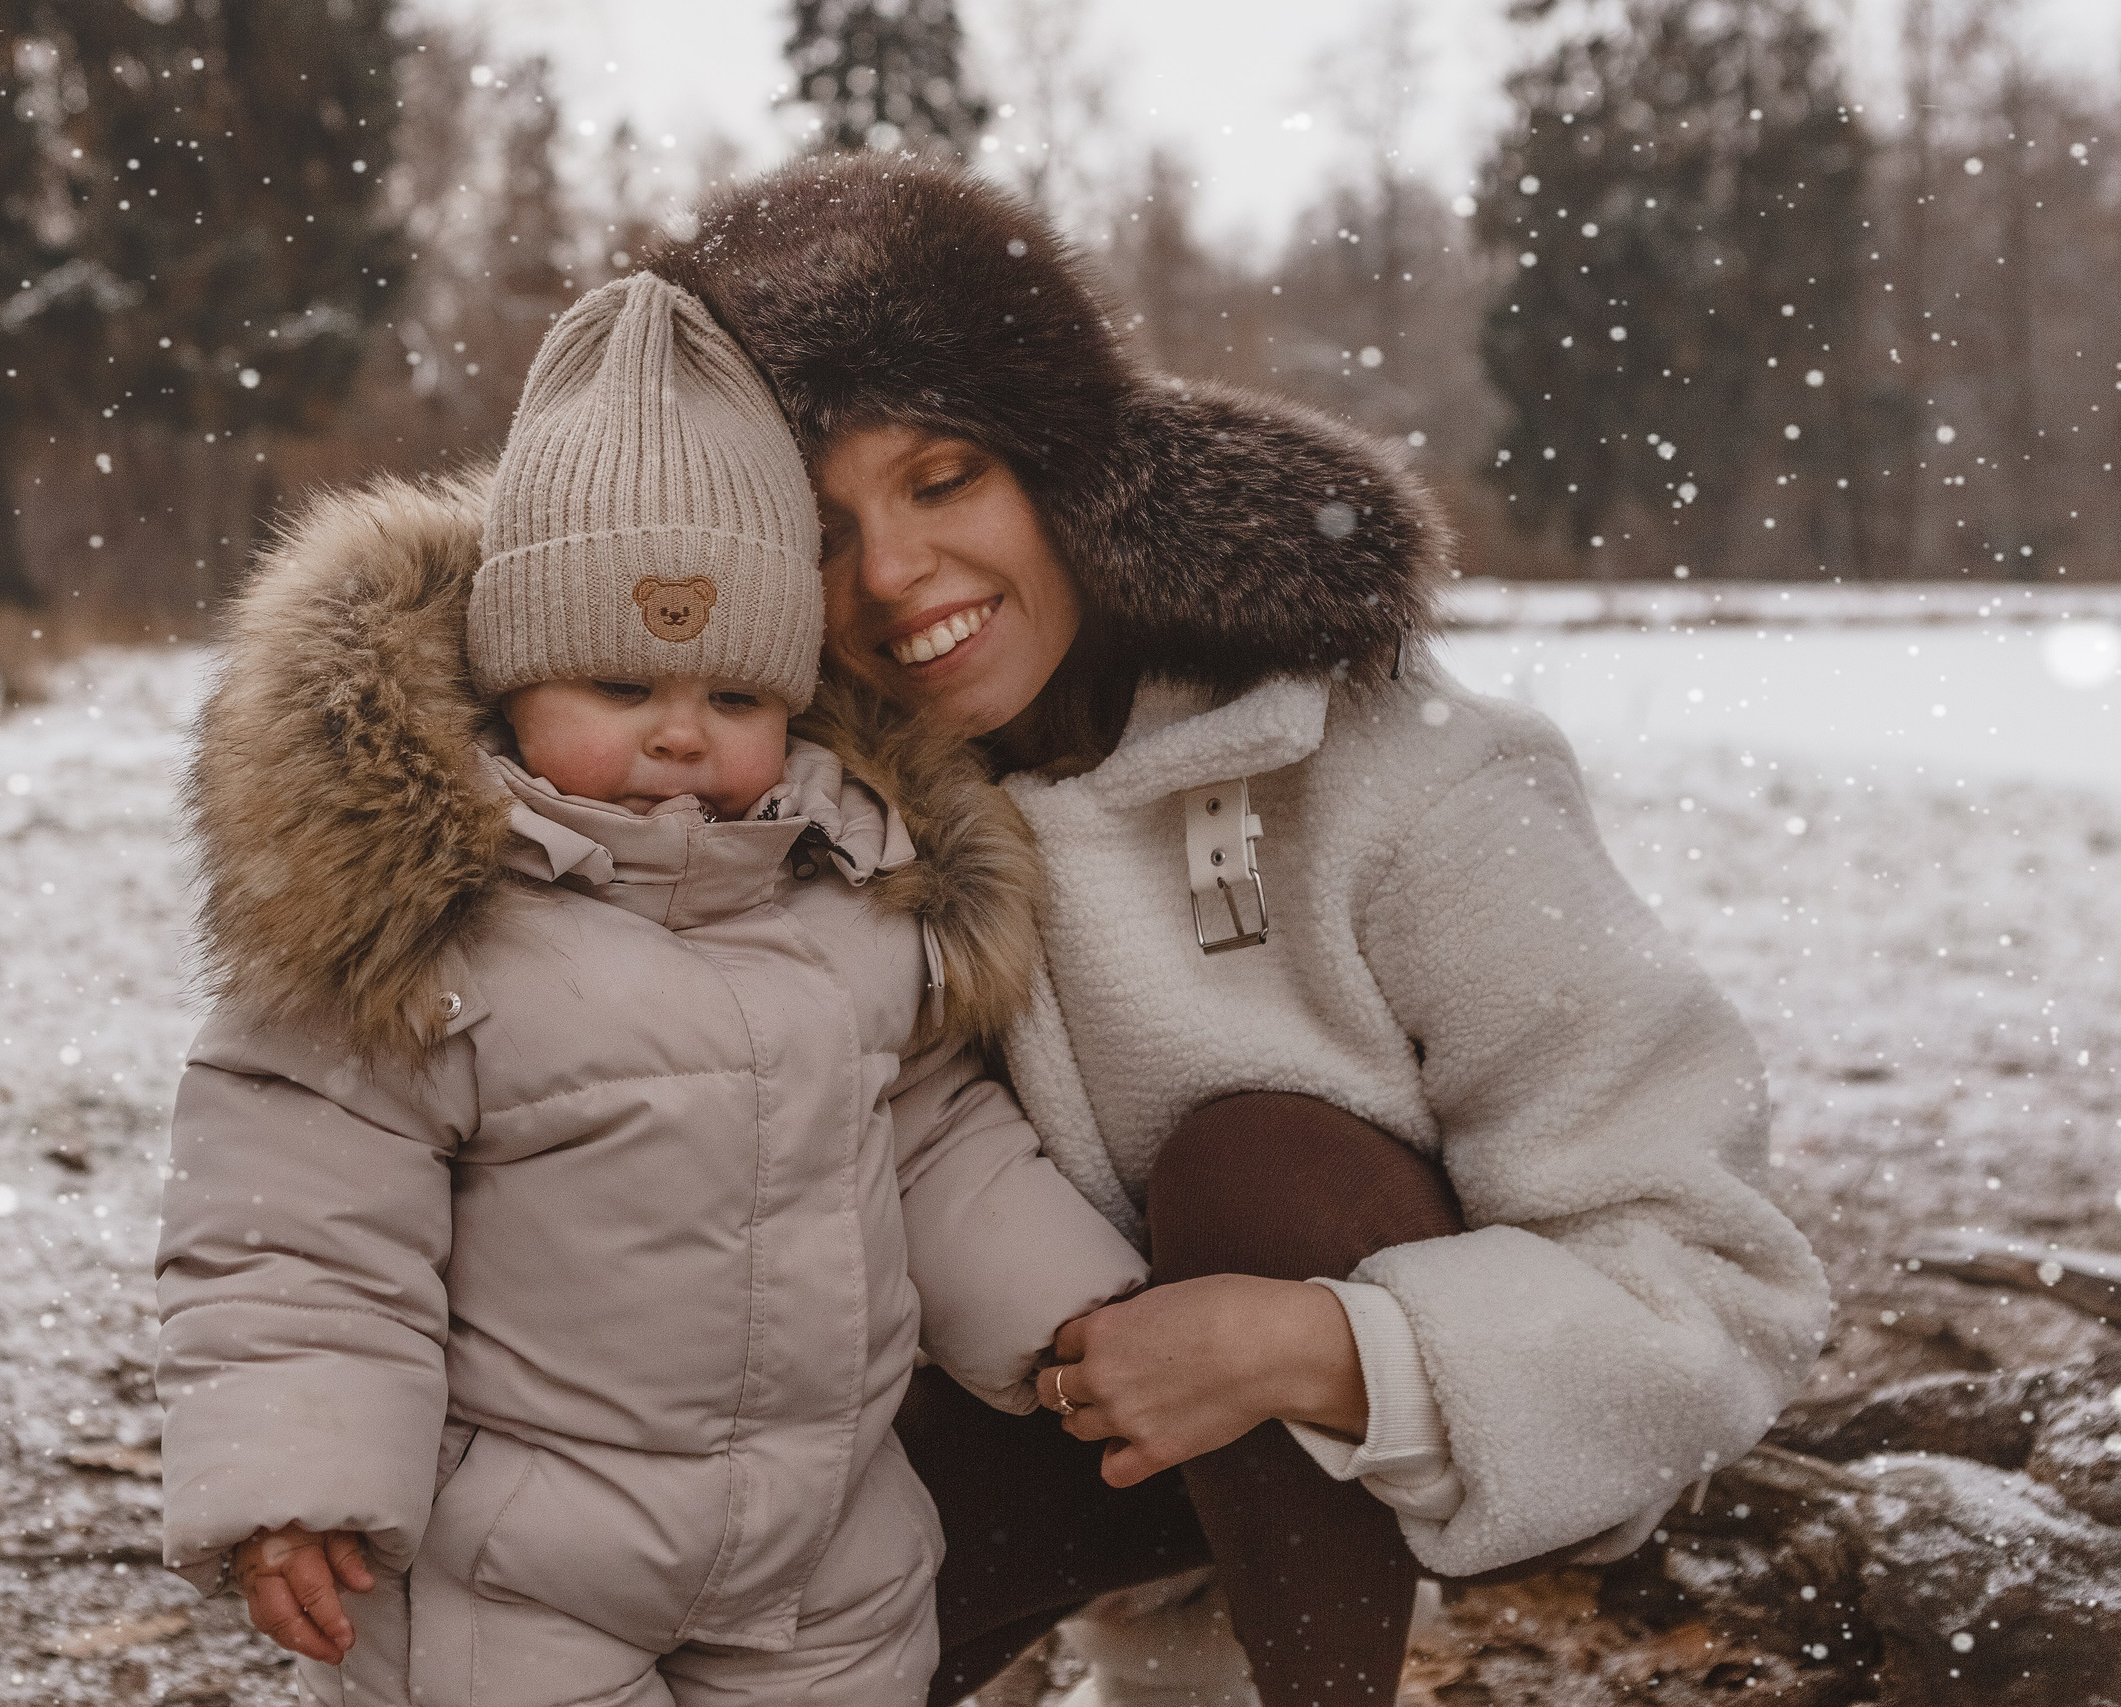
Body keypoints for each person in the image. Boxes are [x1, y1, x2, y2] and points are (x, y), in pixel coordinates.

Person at [649, 156, 1831, 1702]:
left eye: (943, 481)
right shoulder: (795, 795)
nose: (887, 576)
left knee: (1258, 1163)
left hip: (1424, 1422)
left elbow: (1715, 1286)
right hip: (1043, 1412)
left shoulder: (1394, 768)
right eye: (820, 530)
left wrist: (1314, 1349)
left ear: (1063, 468)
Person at [153, 273, 1145, 1707]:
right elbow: (299, 1235)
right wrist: (295, 1474)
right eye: (622, 689)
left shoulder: (854, 890)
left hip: (825, 1561)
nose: (682, 738)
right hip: (514, 1568)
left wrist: (1069, 1308)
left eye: (735, 699)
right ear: (512, 684)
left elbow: (929, 1143)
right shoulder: (423, 926)